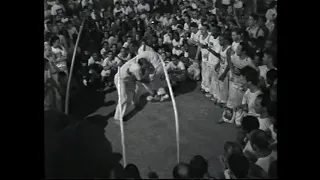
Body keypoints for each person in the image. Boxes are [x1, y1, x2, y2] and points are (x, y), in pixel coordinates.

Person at [113, 58, 155, 124]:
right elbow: (141, 80)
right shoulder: (136, 68)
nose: (146, 66)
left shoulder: (136, 62)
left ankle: (123, 114)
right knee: (123, 98)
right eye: (145, 64)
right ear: (141, 65)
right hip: (120, 79)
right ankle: (117, 118)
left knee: (129, 98)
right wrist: (151, 91)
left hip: (129, 80)